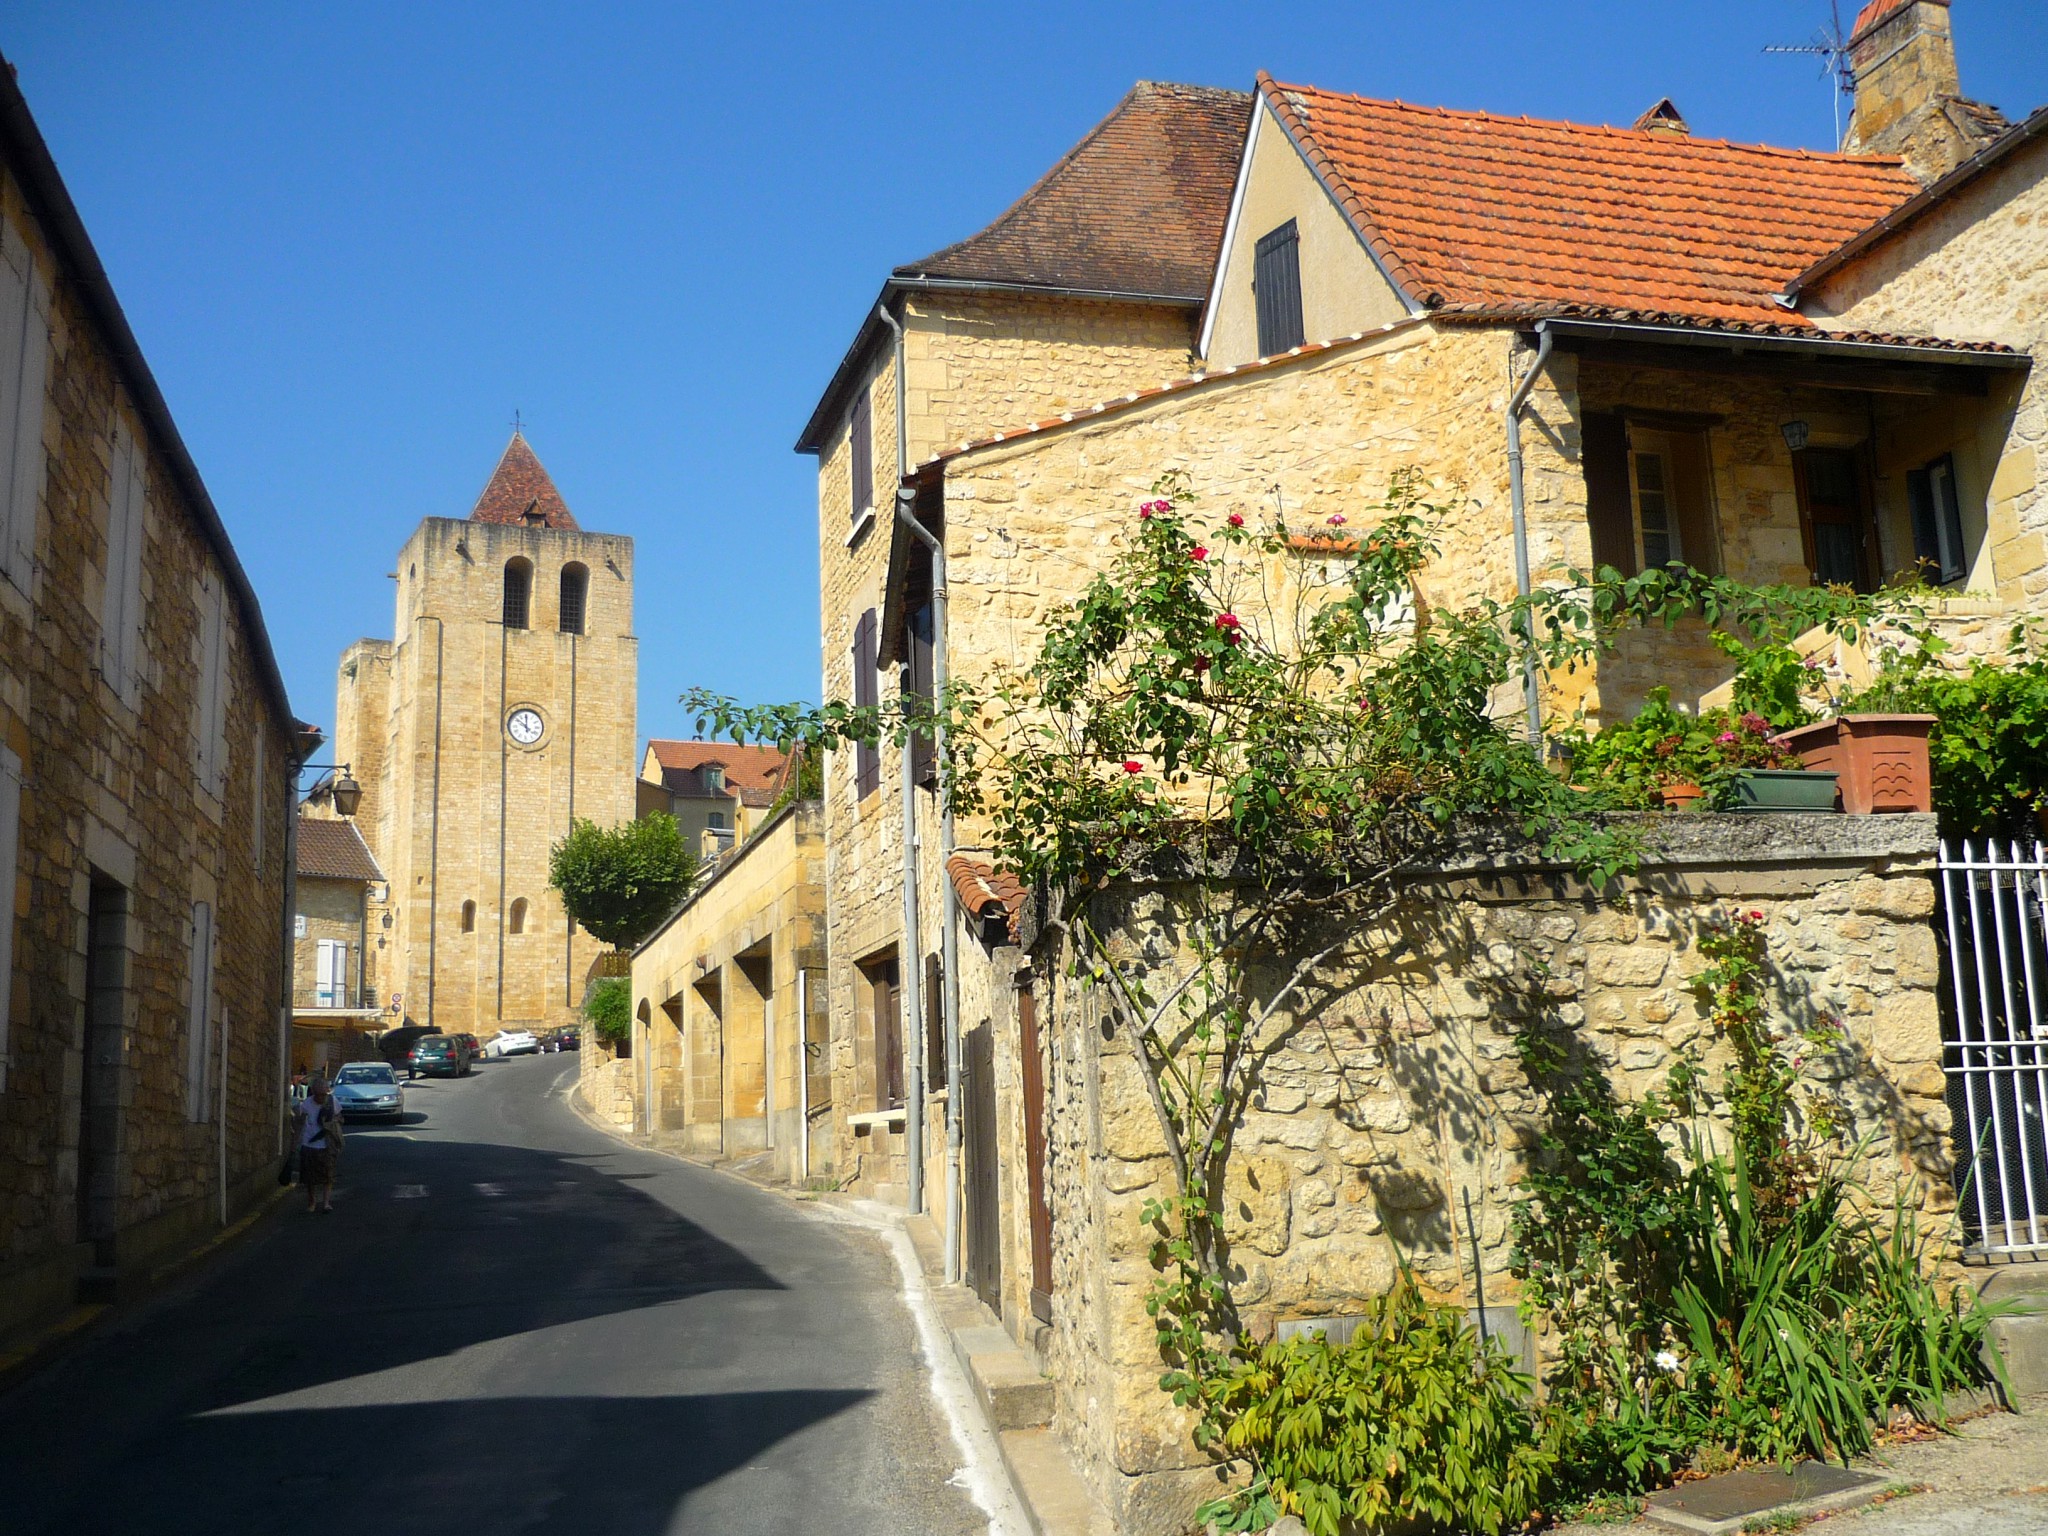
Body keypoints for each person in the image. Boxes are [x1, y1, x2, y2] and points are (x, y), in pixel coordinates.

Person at [292, 1075, 343, 1214]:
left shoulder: (332, 1102)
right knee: (310, 1178)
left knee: (328, 1175)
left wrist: (331, 1122)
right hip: (309, 1143)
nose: (321, 1097)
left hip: (327, 1143)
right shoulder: (306, 1104)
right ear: (313, 1092)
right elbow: (299, 1121)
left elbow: (340, 1117)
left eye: (323, 1094)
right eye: (318, 1095)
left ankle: (326, 1203)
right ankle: (312, 1201)